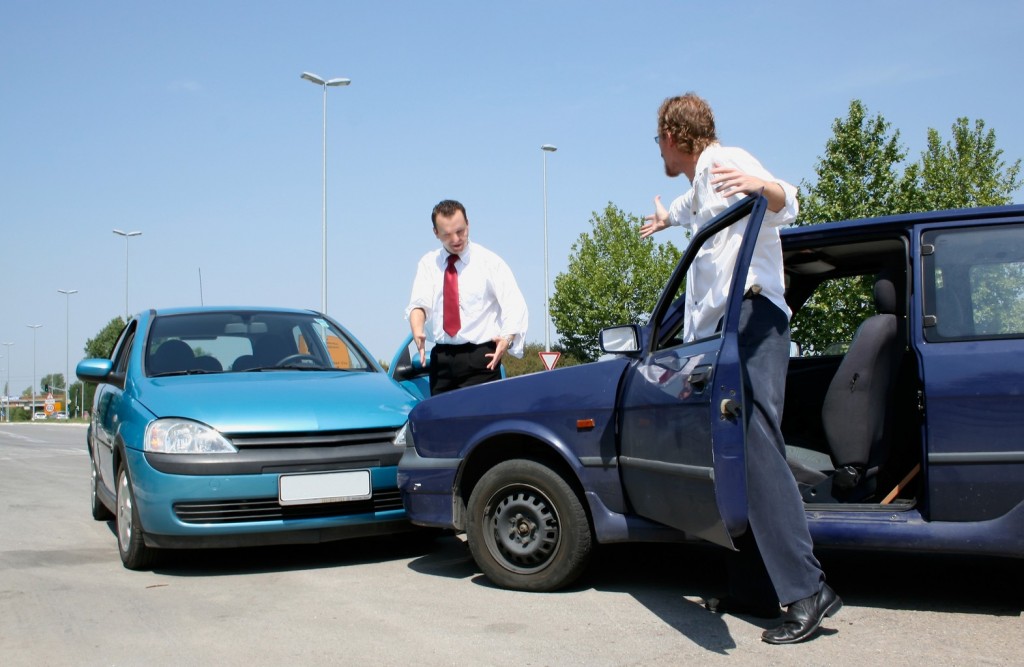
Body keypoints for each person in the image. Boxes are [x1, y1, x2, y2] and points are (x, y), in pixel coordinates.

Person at [640, 92, 841, 645]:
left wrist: (764, 187)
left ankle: (806, 589)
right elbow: (690, 211)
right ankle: (754, 586)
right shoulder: (701, 184)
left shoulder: (729, 163)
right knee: (735, 458)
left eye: (658, 139)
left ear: (674, 136)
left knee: (755, 445)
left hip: (752, 318)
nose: (657, 148)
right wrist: (666, 217)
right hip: (726, 331)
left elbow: (788, 200)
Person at [406, 199, 528, 395]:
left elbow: (514, 303)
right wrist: (417, 328)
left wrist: (507, 338)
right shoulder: (428, 264)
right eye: (447, 234)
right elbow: (418, 305)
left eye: (460, 231)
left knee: (481, 424)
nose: (456, 239)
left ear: (468, 224)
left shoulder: (489, 262)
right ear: (436, 233)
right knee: (443, 423)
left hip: (482, 359)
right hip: (442, 361)